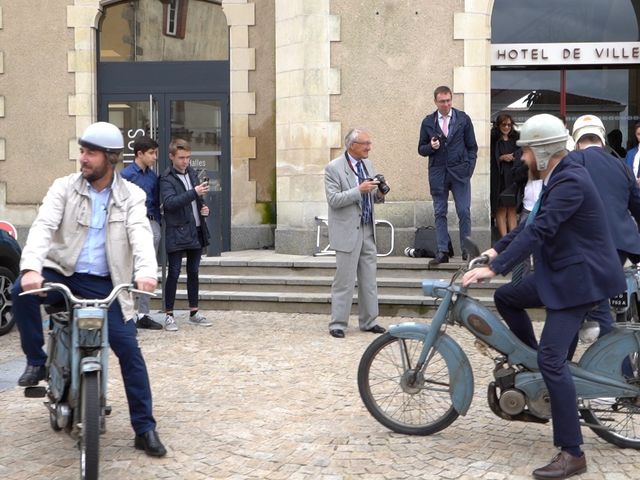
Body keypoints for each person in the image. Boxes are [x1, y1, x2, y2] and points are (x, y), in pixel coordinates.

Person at [462, 114, 625, 479]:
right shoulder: (557, 176)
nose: (521, 157)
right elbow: (530, 224)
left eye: (525, 150)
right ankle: (532, 363)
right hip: (561, 273)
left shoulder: (570, 180)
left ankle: (572, 452)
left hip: (579, 280)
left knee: (554, 360)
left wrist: (497, 266)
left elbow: (542, 230)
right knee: (508, 298)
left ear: (543, 150)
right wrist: (494, 251)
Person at [11, 121, 167, 457]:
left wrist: (145, 273)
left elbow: (140, 236)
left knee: (130, 352)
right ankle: (37, 361)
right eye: (82, 150)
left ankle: (145, 428)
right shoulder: (64, 188)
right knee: (18, 292)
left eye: (90, 152)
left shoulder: (132, 196)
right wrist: (30, 269)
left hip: (106, 282)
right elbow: (43, 227)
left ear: (110, 158)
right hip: (62, 272)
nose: (82, 158)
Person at [324, 128, 388, 338]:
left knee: (369, 280)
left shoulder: (367, 164)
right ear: (352, 145)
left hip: (368, 229)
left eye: (369, 143)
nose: (369, 147)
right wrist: (358, 190)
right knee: (344, 280)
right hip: (347, 231)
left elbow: (371, 197)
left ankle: (369, 321)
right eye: (365, 143)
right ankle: (338, 324)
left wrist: (378, 193)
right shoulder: (333, 168)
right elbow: (334, 200)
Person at [418, 85, 478, 265]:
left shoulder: (463, 119)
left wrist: (469, 168)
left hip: (460, 172)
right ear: (435, 102)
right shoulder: (428, 122)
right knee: (440, 212)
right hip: (438, 173)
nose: (446, 104)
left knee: (464, 211)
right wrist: (431, 147)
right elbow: (421, 149)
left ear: (451, 100)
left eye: (448, 100)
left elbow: (472, 147)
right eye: (442, 101)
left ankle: (466, 251)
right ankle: (443, 251)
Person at [159, 138, 212, 331]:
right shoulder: (166, 178)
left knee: (194, 272)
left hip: (195, 230)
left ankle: (194, 312)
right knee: (173, 272)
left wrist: (205, 209)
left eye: (188, 157)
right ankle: (169, 314)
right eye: (181, 158)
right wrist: (194, 192)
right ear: (172, 157)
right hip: (176, 231)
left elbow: (197, 200)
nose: (185, 162)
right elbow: (171, 202)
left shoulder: (192, 173)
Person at [121, 135, 163, 330]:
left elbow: (155, 204)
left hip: (150, 222)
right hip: (130, 225)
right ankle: (126, 313)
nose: (155, 157)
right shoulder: (126, 175)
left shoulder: (153, 177)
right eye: (152, 153)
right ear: (140, 154)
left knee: (148, 269)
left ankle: (144, 314)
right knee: (129, 269)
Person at [490, 113, 523, 238]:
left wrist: (514, 157)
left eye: (509, 125)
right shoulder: (493, 140)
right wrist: (501, 158)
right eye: (504, 125)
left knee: (512, 209)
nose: (507, 127)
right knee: (501, 209)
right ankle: (504, 239)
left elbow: (521, 155)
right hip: (500, 178)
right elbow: (491, 159)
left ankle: (512, 239)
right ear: (498, 125)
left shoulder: (516, 139)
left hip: (513, 177)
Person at [624, 121, 640, 185]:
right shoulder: (630, 154)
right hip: (632, 192)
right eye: (639, 134)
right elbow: (626, 174)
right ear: (636, 135)